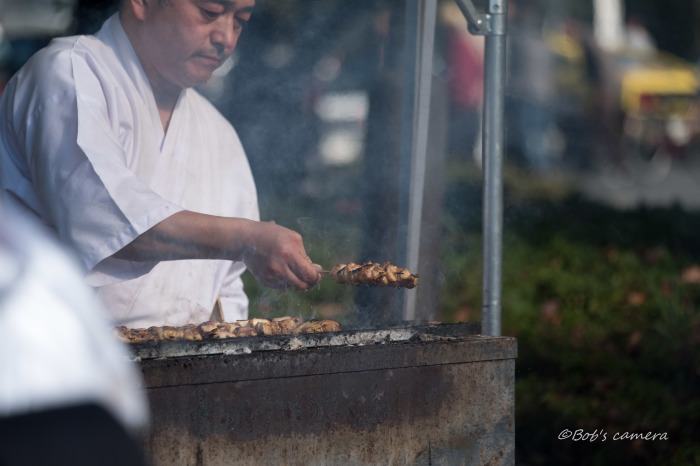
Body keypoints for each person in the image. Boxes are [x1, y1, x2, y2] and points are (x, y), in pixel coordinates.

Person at [0, 0, 322, 329]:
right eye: (210, 12)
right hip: (55, 359)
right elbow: (104, 219)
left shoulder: (218, 133)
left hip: (185, 370)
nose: (226, 37)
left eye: (240, 20)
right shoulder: (67, 76)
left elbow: (225, 293)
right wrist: (245, 239)